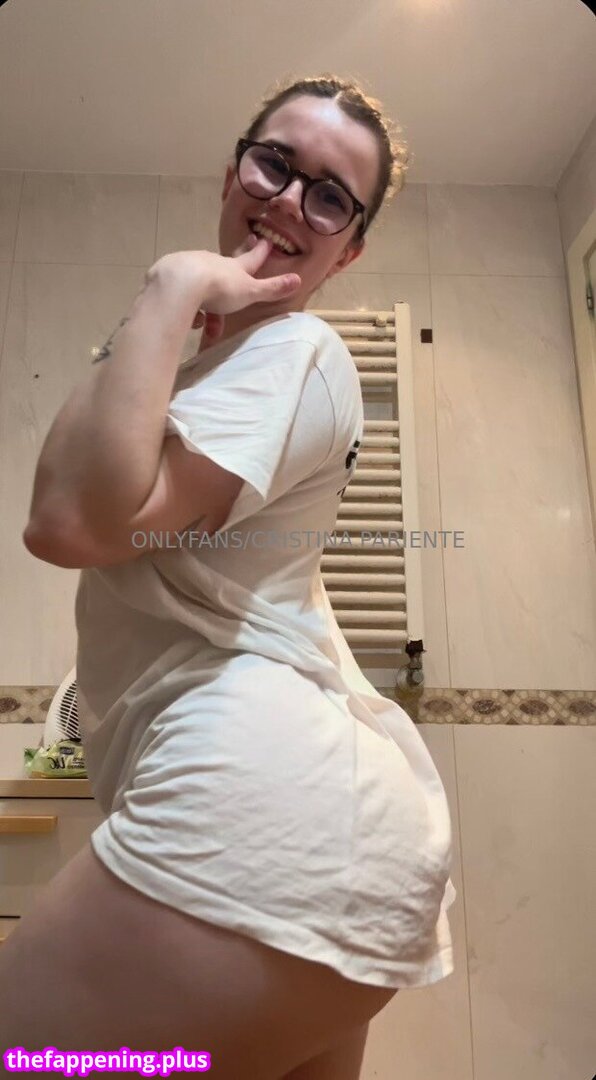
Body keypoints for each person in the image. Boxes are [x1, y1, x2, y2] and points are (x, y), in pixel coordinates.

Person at [0, 75, 456, 1079]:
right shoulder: (198, 369)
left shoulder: (295, 352)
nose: (290, 200)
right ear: (233, 171)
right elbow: (61, 497)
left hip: (258, 812)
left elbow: (72, 525)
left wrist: (170, 284)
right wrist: (160, 316)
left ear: (350, 248)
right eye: (275, 164)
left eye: (329, 197)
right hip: (332, 846)